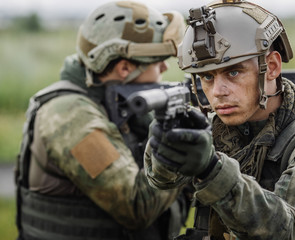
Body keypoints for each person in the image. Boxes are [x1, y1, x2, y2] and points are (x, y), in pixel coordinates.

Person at [144, 0, 295, 239]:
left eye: (233, 72)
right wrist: (164, 143)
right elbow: (162, 180)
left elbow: (291, 232)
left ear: (273, 66)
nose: (217, 91)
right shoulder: (217, 131)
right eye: (206, 76)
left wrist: (210, 170)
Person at [15, 1, 190, 240]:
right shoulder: (70, 116)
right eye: (157, 59)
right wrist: (185, 151)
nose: (164, 66)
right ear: (125, 68)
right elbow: (136, 206)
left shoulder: (120, 101)